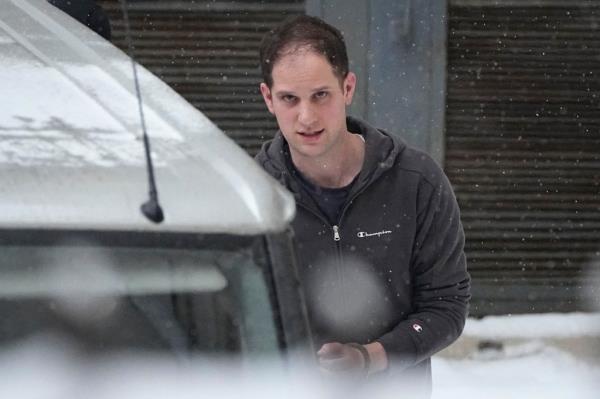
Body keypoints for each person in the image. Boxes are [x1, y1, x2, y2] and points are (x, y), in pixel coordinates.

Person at [255, 15, 470, 396]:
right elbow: (237, 320)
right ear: (268, 98)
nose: (306, 117)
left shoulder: (416, 182)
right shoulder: (254, 195)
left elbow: (446, 306)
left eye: (321, 95)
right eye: (290, 98)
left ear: (348, 87)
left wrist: (372, 358)